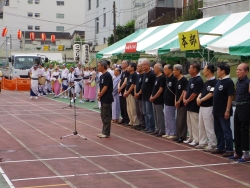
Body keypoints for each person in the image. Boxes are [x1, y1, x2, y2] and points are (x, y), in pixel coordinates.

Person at [211, 62, 234, 157]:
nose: (217, 71)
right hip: (216, 110)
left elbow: (230, 96)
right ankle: (220, 147)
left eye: (218, 70)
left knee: (226, 130)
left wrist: (227, 110)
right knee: (218, 130)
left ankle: (229, 149)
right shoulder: (218, 81)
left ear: (223, 71)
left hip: (223, 110)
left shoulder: (228, 82)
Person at [229, 63, 250, 162]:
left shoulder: (248, 82)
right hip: (238, 106)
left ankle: (246, 154)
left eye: (240, 70)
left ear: (246, 72)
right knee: (236, 129)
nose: (237, 71)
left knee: (244, 130)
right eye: (237, 69)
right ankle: (238, 152)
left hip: (245, 106)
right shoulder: (238, 82)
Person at [196, 64, 217, 151]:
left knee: (209, 126)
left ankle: (212, 144)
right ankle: (202, 142)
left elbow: (211, 94)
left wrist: (202, 100)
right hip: (202, 107)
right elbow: (201, 92)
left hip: (208, 106)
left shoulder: (214, 82)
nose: (203, 71)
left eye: (204, 69)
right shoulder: (207, 81)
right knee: (201, 125)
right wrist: (198, 98)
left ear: (209, 71)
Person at [183, 62, 203, 146]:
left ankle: (196, 139)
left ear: (194, 70)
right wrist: (184, 98)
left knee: (195, 123)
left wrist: (187, 100)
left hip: (194, 105)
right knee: (189, 122)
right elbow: (186, 90)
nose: (188, 70)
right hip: (188, 105)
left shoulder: (199, 80)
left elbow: (195, 93)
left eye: (190, 68)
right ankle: (191, 137)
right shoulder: (190, 79)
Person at [97, 60, 113, 138]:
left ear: (103, 66)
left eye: (99, 66)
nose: (98, 68)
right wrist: (99, 94)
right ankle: (104, 131)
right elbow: (100, 86)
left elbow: (105, 87)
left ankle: (106, 133)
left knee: (106, 115)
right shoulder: (101, 75)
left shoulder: (107, 75)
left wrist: (100, 94)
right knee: (103, 115)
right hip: (102, 97)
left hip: (107, 97)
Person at [173, 64, 188, 143]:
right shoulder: (177, 80)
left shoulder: (184, 80)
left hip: (182, 104)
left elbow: (184, 91)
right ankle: (178, 135)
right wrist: (176, 100)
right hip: (178, 103)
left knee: (182, 120)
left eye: (174, 70)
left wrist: (179, 101)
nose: (173, 72)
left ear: (179, 71)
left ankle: (182, 136)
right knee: (178, 119)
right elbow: (176, 92)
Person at [150, 63, 166, 137]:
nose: (153, 69)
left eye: (155, 68)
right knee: (156, 115)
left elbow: (160, 89)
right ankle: (157, 129)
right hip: (154, 99)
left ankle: (161, 130)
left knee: (160, 116)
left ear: (159, 69)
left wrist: (154, 97)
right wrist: (151, 96)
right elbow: (154, 88)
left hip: (159, 100)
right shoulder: (157, 77)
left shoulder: (162, 77)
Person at [162, 64, 177, 139]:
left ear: (170, 70)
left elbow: (176, 91)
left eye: (165, 69)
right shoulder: (167, 78)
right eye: (164, 69)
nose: (164, 71)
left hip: (171, 102)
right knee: (166, 117)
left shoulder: (174, 78)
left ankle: (173, 132)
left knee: (171, 117)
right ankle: (168, 132)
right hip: (166, 100)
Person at [141, 59, 156, 134]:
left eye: (144, 65)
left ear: (148, 65)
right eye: (142, 65)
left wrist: (152, 95)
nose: (142, 66)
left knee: (149, 113)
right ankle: (147, 126)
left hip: (149, 97)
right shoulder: (144, 74)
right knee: (145, 112)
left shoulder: (152, 74)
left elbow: (154, 86)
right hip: (144, 96)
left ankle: (151, 127)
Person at [124, 62, 140, 127]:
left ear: (133, 68)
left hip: (131, 94)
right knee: (128, 109)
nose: (127, 68)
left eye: (129, 67)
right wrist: (125, 91)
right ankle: (131, 121)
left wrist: (127, 92)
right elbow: (127, 84)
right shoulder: (129, 75)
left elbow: (133, 85)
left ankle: (135, 123)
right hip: (127, 93)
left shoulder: (135, 75)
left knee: (133, 109)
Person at [118, 60, 130, 125]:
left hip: (125, 90)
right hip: (121, 91)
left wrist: (120, 88)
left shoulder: (127, 72)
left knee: (125, 105)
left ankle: (127, 119)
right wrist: (118, 88)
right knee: (122, 105)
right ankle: (123, 118)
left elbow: (125, 82)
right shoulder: (123, 72)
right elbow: (120, 80)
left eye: (123, 63)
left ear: (127, 64)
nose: (122, 64)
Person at [134, 63, 145, 130]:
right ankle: (140, 123)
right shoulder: (138, 76)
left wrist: (139, 93)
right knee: (138, 111)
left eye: (138, 66)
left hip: (141, 96)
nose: (137, 67)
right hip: (136, 95)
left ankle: (143, 124)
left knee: (142, 111)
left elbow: (143, 86)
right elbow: (135, 85)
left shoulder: (144, 75)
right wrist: (135, 92)